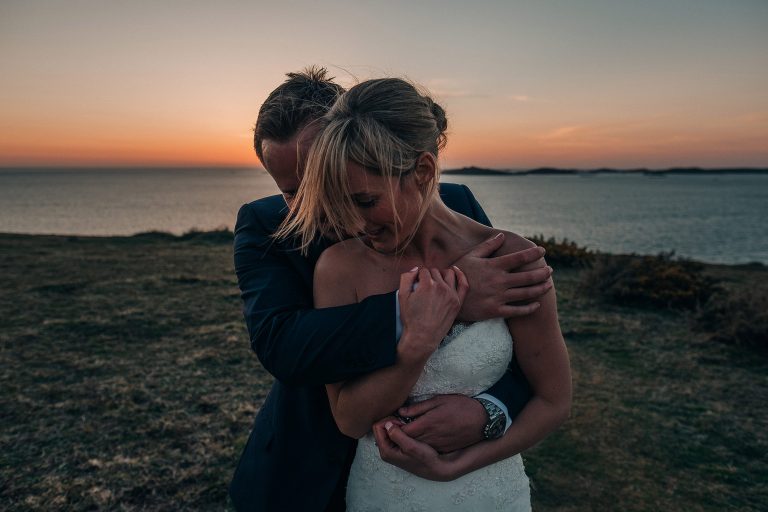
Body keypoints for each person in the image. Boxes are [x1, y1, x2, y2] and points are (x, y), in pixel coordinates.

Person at [230, 68, 554, 512]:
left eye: (327, 181)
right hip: (311, 467)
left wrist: (489, 411)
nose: (322, 205)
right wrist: (443, 303)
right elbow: (282, 345)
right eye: (293, 191)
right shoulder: (265, 227)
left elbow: (517, 345)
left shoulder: (454, 203)